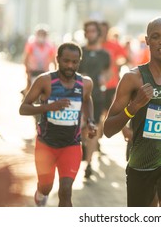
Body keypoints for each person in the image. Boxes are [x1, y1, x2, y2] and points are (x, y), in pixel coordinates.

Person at [103, 17, 161, 207]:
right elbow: (108, 129)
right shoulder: (133, 78)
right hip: (141, 162)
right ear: (147, 40)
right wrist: (134, 107)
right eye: (156, 37)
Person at [19, 42, 97, 207]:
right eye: (66, 61)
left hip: (71, 145)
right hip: (46, 145)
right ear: (58, 59)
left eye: (74, 62)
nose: (70, 66)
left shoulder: (85, 83)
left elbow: (87, 99)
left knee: (66, 191)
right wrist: (49, 107)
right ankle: (41, 192)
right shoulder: (45, 81)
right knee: (46, 187)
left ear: (79, 62)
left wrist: (90, 120)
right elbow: (23, 108)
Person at [77, 20, 110, 178]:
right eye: (87, 31)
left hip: (96, 97)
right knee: (82, 129)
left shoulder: (105, 55)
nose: (90, 34)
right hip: (79, 97)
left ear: (98, 33)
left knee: (93, 129)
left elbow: (109, 73)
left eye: (93, 31)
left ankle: (89, 163)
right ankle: (83, 146)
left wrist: (104, 78)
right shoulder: (80, 52)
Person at [22, 24, 56, 95]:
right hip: (33, 70)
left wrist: (55, 72)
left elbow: (53, 59)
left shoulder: (50, 45)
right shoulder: (31, 44)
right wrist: (27, 69)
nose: (41, 36)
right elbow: (26, 58)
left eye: (43, 34)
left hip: (44, 71)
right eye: (40, 34)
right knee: (29, 88)